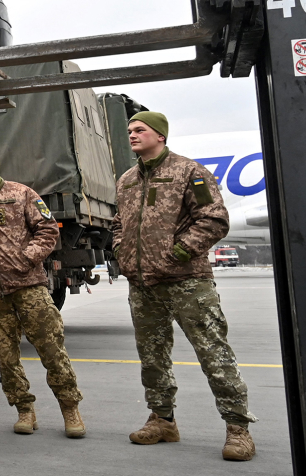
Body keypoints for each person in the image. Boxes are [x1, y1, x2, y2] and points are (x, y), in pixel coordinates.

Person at [110, 111, 256, 461]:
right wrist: (121, 251)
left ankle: (238, 429)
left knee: (214, 354)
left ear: (159, 135)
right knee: (152, 357)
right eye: (129, 130)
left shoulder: (189, 172)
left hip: (187, 281)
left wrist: (176, 253)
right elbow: (118, 224)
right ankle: (162, 420)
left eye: (139, 130)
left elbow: (214, 219)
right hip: (143, 285)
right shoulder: (127, 179)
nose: (132, 135)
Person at [0, 148, 84, 438]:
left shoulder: (22, 194)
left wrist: (27, 257)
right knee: (6, 357)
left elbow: (48, 230)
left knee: (51, 348)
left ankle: (70, 409)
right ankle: (24, 410)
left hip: (29, 288)